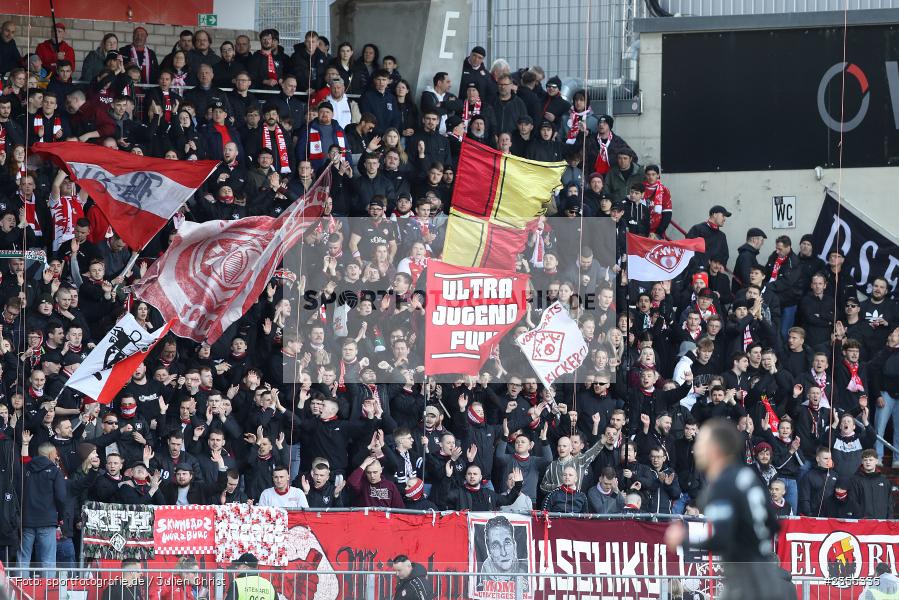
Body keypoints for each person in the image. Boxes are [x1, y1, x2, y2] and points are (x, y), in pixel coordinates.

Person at [664, 419, 795, 600]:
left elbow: (722, 539)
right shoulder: (748, 477)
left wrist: (684, 539)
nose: (696, 449)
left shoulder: (724, 483)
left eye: (702, 444)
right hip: (768, 578)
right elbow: (772, 525)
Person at [477, 515, 529, 595]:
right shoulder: (484, 573)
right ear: (489, 550)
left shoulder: (525, 569)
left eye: (507, 543)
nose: (504, 553)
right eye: (496, 546)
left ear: (514, 544)